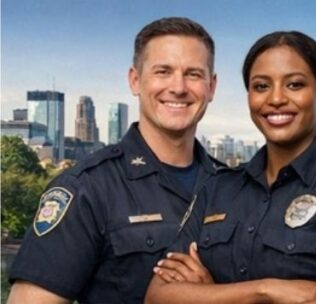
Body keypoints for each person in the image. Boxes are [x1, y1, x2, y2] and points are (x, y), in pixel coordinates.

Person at [145, 31, 316, 303]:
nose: (275, 98)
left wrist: (208, 294)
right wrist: (266, 290)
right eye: (261, 86)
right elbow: (157, 297)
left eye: (295, 85)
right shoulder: (217, 188)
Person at [6, 17, 221, 304]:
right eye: (163, 71)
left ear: (212, 86)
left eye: (193, 74)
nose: (178, 87)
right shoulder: (86, 189)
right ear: (135, 80)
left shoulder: (234, 187)